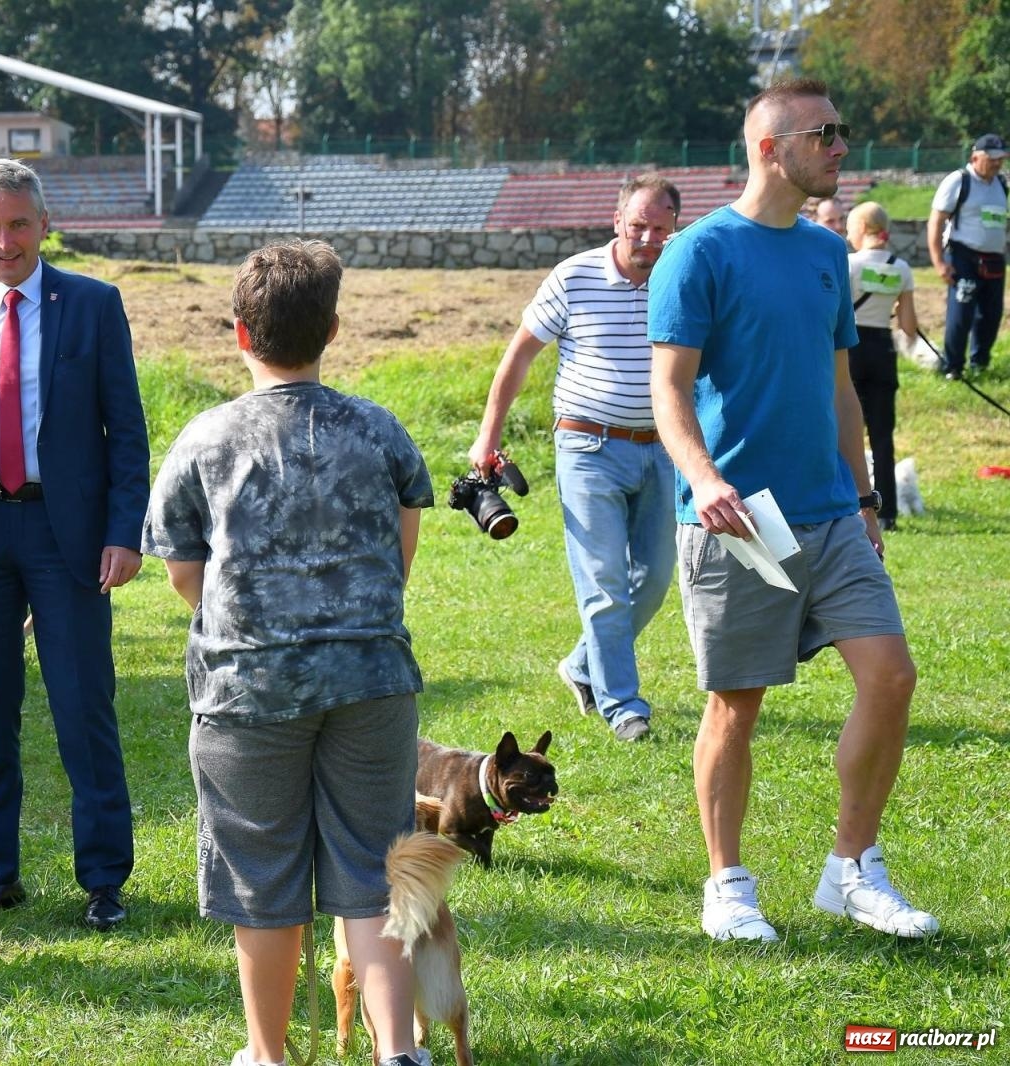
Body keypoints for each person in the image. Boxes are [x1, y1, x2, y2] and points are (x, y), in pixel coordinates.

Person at [648, 79, 938, 943]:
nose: (841, 147)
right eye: (825, 134)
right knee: (738, 705)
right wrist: (702, 479)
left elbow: (842, 391)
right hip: (740, 520)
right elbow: (668, 390)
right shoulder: (697, 253)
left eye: (841, 133)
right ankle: (726, 885)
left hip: (831, 512)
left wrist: (865, 496)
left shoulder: (824, 254)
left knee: (891, 677)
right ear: (770, 148)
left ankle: (852, 870)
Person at [143, 240, 432, 1066]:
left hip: (246, 687)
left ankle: (267, 1055)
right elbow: (400, 556)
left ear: (240, 333)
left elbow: (184, 574)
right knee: (376, 875)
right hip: (373, 677)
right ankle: (397, 1053)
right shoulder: (381, 430)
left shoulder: (203, 439)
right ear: (333, 329)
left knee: (260, 880)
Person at [0, 158, 149, 930]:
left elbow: (127, 433)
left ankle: (104, 880)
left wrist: (122, 531)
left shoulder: (93, 306)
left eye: (17, 224)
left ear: (44, 225)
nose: (4, 241)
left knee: (83, 708)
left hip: (64, 533)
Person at [469, 174, 681, 743]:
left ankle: (584, 663)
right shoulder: (574, 276)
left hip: (663, 449)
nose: (648, 238)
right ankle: (623, 707)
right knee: (605, 584)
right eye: (638, 225)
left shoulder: (680, 280)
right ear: (618, 221)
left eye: (661, 228)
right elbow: (518, 359)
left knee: (656, 579)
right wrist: (487, 436)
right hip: (587, 448)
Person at [846, 202, 918, 533]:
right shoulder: (901, 268)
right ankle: (887, 512)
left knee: (845, 431)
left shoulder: (849, 265)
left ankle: (848, 504)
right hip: (883, 351)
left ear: (861, 229)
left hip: (851, 350)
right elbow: (908, 326)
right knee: (882, 437)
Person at [926, 134, 1008, 379]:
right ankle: (953, 367)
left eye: (1001, 159)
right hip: (963, 256)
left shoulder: (1001, 184)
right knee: (961, 315)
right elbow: (936, 221)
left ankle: (980, 363)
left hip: (994, 259)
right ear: (975, 157)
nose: (997, 163)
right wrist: (939, 262)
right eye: (991, 159)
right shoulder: (959, 181)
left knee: (991, 314)